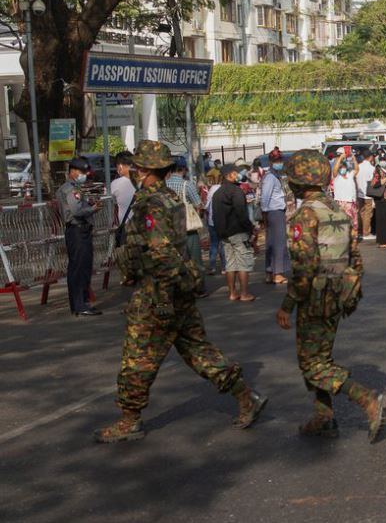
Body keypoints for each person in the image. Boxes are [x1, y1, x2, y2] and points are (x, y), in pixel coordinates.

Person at [97, 141, 266, 443]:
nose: (134, 171)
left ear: (148, 171)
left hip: (157, 293)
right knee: (199, 351)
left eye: (138, 167)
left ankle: (129, 419)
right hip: (177, 290)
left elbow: (160, 254)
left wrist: (160, 298)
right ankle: (245, 396)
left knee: (137, 359)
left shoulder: (152, 204)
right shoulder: (169, 197)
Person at [273, 149, 386, 442]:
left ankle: (366, 400)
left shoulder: (305, 214)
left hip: (314, 296)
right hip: (337, 293)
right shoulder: (337, 209)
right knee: (320, 357)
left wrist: (288, 304)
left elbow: (305, 267)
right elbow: (354, 257)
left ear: (299, 180)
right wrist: (349, 292)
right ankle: (323, 417)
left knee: (312, 364)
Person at [58, 157, 102, 317]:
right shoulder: (71, 189)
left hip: (80, 230)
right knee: (79, 268)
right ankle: (79, 304)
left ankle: (82, 302)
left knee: (84, 267)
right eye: (82, 172)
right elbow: (76, 211)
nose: (84, 175)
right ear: (73, 171)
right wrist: (93, 209)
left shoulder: (75, 188)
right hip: (77, 230)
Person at [212, 164, 257, 302]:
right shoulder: (236, 191)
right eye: (236, 173)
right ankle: (244, 294)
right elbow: (242, 214)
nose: (238, 175)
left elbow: (215, 216)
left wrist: (220, 233)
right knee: (243, 262)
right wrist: (250, 229)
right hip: (238, 232)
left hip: (224, 235)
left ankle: (232, 293)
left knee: (230, 264)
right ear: (230, 175)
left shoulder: (217, 193)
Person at [166, 158, 207, 296]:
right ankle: (198, 288)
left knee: (176, 260)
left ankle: (179, 290)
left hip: (170, 227)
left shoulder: (164, 185)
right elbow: (198, 204)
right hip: (188, 227)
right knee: (194, 259)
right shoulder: (187, 185)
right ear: (183, 170)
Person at [260, 148, 291, 284]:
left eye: (280, 160)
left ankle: (270, 272)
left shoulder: (275, 175)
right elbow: (265, 198)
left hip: (275, 212)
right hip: (274, 212)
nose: (280, 163)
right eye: (277, 161)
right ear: (272, 162)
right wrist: (265, 215)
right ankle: (277, 273)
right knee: (278, 243)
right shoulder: (270, 177)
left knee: (272, 243)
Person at [331, 149, 359, 230]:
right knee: (342, 222)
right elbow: (335, 170)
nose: (342, 169)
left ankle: (352, 238)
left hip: (350, 202)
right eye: (340, 168)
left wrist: (353, 158)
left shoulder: (350, 174)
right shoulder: (336, 176)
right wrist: (340, 158)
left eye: (343, 167)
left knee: (352, 222)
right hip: (340, 202)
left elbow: (357, 169)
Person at [203, 170, 225, 275]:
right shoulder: (225, 188)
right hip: (224, 221)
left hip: (212, 221)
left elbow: (206, 206)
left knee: (214, 244)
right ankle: (224, 267)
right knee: (223, 244)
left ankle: (212, 267)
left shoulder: (212, 189)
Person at [110, 151, 135, 225]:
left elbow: (107, 199)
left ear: (120, 166)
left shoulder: (115, 184)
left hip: (126, 227)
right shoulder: (144, 181)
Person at [356, 151, 377, 240]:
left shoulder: (358, 167)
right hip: (369, 194)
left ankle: (360, 232)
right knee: (368, 214)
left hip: (359, 193)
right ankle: (366, 233)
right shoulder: (372, 168)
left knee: (360, 213)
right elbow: (374, 182)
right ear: (371, 157)